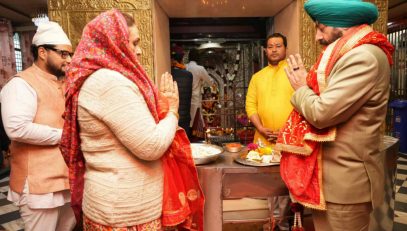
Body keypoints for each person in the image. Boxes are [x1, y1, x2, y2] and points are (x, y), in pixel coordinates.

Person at [59, 9, 204, 230]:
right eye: (134, 43)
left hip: (118, 206)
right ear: (113, 43)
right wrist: (173, 110)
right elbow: (150, 145)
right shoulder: (110, 83)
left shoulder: (101, 79)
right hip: (124, 212)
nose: (140, 50)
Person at [275, 0, 394, 230]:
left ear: (343, 25)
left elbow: (322, 113)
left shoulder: (364, 57)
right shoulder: (349, 54)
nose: (318, 37)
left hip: (346, 186)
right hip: (331, 183)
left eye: (321, 28)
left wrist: (301, 88)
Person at [0, 22, 76, 230]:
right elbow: (16, 128)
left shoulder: (63, 83)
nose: (68, 60)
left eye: (70, 54)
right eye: (63, 54)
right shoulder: (21, 84)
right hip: (38, 185)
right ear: (42, 52)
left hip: (66, 180)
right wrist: (66, 136)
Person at [245, 33, 294, 230]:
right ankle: (275, 222)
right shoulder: (258, 77)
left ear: (285, 49)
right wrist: (260, 127)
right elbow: (250, 105)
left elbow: (304, 105)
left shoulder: (294, 74)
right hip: (264, 140)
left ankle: (282, 223)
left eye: (278, 46)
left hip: (289, 140)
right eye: (270, 46)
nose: (273, 49)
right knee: (269, 186)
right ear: (265, 50)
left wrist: (285, 130)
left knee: (286, 185)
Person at [186, 48, 213, 134]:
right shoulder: (199, 69)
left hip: (185, 99)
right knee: (196, 121)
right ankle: (195, 139)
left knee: (187, 120)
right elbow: (210, 82)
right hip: (195, 99)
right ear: (198, 58)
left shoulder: (184, 67)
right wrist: (202, 80)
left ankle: (187, 137)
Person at [171, 44, 193, 137]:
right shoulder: (188, 75)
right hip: (185, 118)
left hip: (172, 118)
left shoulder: (168, 73)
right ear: (182, 58)